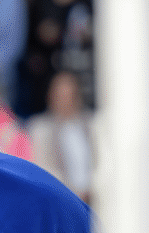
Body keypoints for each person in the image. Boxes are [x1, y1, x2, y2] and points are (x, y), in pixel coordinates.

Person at [27, 71, 97, 203]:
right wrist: (73, 192)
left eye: (71, 95)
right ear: (51, 97)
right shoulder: (40, 128)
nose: (66, 101)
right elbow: (44, 169)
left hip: (94, 200)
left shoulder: (93, 124)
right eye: (61, 96)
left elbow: (104, 163)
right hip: (60, 201)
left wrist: (92, 189)